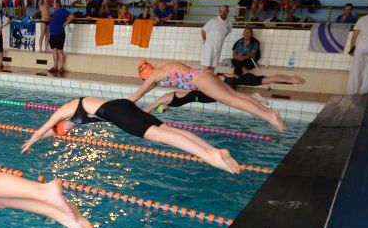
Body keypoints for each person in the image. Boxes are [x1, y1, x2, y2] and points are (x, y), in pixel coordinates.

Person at [22, 96, 241, 174]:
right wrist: (38, 139)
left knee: (160, 136)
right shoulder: (74, 119)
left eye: (61, 131)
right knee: (167, 129)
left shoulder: (64, 111)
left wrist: (32, 140)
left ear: (61, 123)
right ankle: (215, 150)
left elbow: (45, 126)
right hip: (122, 106)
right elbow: (50, 131)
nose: (65, 133)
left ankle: (209, 156)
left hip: (116, 112)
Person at [129, 60, 285, 130]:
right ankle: (269, 112)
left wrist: (120, 106)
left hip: (199, 79)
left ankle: (269, 116)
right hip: (203, 75)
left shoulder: (154, 75)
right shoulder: (161, 70)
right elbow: (148, 90)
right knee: (234, 96)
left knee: (231, 100)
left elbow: (137, 94)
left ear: (146, 75)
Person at [47, 1, 74, 75]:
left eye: (54, 4)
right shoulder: (55, 12)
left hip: (59, 34)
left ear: (58, 4)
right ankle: (55, 67)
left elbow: (72, 16)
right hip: (52, 35)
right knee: (54, 51)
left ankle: (61, 67)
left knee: (60, 51)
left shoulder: (62, 10)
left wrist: (65, 23)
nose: (53, 5)